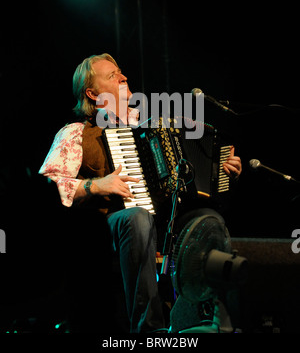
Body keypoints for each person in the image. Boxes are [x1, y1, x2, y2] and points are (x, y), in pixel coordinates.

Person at [39, 53, 242, 333]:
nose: (123, 77)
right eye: (112, 75)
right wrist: (96, 185)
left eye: (121, 72)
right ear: (92, 93)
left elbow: (192, 173)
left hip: (163, 223)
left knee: (207, 218)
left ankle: (213, 320)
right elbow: (47, 185)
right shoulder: (76, 133)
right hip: (107, 225)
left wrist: (220, 167)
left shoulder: (154, 123)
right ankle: (148, 329)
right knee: (136, 216)